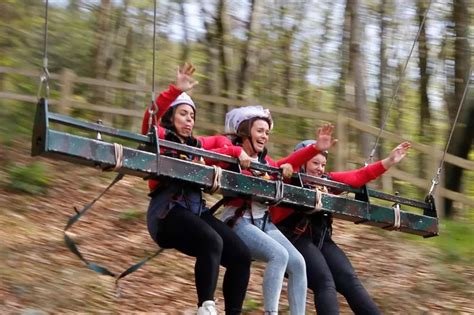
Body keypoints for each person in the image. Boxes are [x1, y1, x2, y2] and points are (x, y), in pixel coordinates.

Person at [141, 63, 252, 315]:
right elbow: (150, 117)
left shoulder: (196, 145)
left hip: (194, 211)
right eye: (182, 114)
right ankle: (206, 307)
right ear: (170, 116)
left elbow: (218, 142)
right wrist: (174, 90)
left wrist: (235, 149)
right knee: (211, 240)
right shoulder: (159, 137)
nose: (189, 120)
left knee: (241, 255)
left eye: (192, 116)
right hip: (166, 213)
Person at [213, 105, 337, 315]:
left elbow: (286, 163)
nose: (265, 136)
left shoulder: (266, 163)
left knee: (298, 263)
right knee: (279, 255)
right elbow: (210, 152)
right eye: (260, 131)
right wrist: (235, 152)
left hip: (263, 222)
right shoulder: (234, 156)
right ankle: (271, 312)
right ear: (245, 132)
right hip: (238, 221)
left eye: (267, 133)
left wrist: (313, 149)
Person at [271, 140, 412, 315]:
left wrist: (389, 161)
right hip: (294, 239)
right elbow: (278, 172)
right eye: (315, 163)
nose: (320, 168)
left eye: (323, 164)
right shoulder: (288, 177)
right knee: (325, 282)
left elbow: (359, 175)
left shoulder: (327, 182)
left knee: (350, 280)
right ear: (302, 162)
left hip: (322, 240)